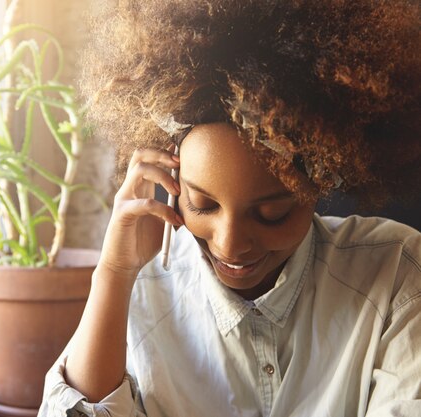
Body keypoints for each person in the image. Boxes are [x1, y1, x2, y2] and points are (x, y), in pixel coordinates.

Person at [39, 0, 421, 416]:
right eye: (202, 205)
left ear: (322, 182)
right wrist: (113, 274)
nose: (232, 244)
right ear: (172, 181)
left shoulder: (396, 274)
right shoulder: (137, 291)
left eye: (271, 212)